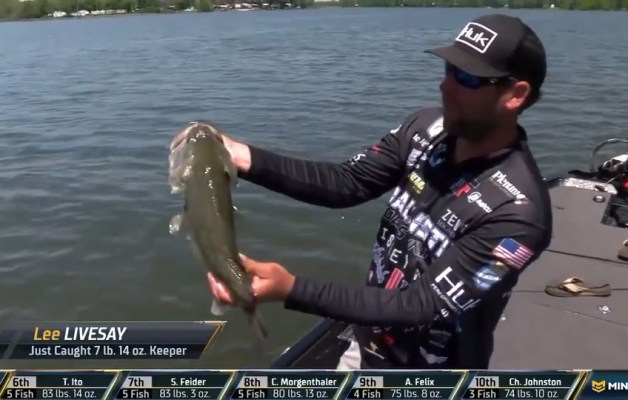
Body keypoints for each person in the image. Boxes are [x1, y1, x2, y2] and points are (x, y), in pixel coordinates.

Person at [204, 13, 553, 369]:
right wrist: (241, 157)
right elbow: (347, 182)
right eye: (449, 69)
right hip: (367, 343)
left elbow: (418, 305)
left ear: (515, 94)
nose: (445, 86)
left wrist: (290, 289)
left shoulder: (519, 215)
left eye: (467, 78)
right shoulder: (425, 128)